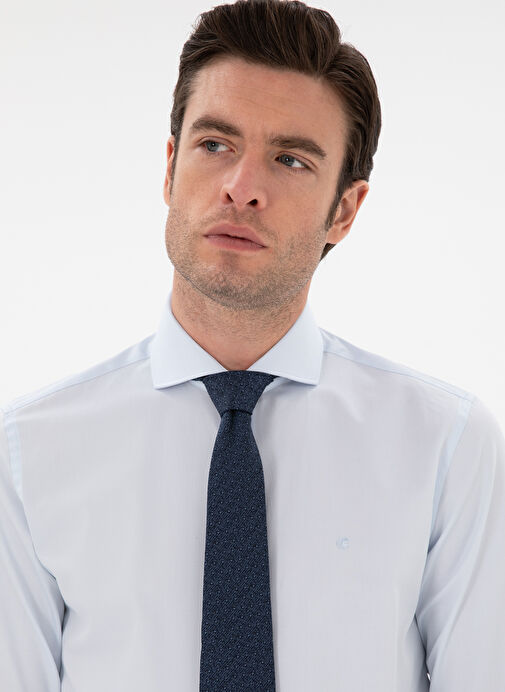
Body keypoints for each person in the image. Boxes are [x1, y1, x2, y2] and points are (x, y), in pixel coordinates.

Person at [1, 0, 504, 689]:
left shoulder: (447, 447)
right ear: (170, 167)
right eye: (215, 145)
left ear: (345, 210)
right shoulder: (28, 456)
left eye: (290, 160)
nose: (241, 189)